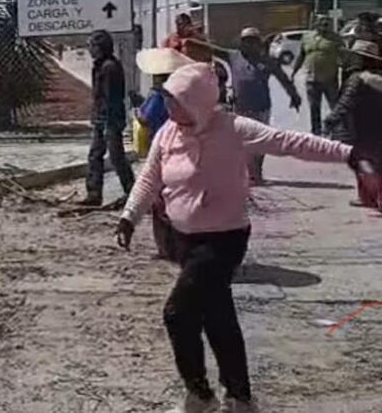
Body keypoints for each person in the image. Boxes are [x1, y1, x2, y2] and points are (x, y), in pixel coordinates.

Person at [115, 62, 359, 413]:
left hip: (223, 239)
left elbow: (290, 142)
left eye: (176, 101)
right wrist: (129, 216)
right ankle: (240, 399)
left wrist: (349, 154)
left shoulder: (232, 128)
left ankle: (199, 395)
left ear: (197, 101)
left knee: (178, 314)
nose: (169, 108)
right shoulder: (168, 133)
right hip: (183, 239)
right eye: (167, 99)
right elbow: (150, 178)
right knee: (218, 318)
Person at [193, 28, 302, 185]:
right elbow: (211, 49)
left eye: (253, 41)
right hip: (241, 107)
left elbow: (283, 79)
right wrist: (191, 40)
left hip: (262, 107)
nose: (249, 45)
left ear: (258, 43)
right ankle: (246, 173)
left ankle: (256, 173)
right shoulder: (233, 56)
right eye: (246, 41)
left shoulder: (267, 61)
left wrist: (294, 96)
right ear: (241, 43)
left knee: (260, 142)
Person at [134, 47, 194, 260]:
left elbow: (146, 119)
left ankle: (165, 249)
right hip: (183, 150)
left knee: (159, 202)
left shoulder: (158, 96)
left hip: (160, 152)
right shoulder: (186, 94)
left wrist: (136, 110)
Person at [325, 41, 382, 209]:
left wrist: (331, 120)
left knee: (362, 162)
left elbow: (345, 102)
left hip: (361, 127)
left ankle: (368, 198)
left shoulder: (358, 79)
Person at [84, 30, 134, 206]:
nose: (89, 49)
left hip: (109, 119)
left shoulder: (109, 67)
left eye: (91, 45)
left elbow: (110, 98)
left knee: (116, 157)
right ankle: (94, 194)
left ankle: (132, 192)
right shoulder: (101, 65)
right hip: (102, 118)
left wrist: (106, 122)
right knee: (95, 156)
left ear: (100, 47)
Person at [292, 15, 343, 135]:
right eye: (322, 23)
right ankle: (316, 131)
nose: (325, 26)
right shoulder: (307, 37)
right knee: (314, 108)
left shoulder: (335, 38)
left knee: (335, 106)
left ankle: (337, 131)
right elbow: (301, 55)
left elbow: (344, 56)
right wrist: (294, 72)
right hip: (311, 79)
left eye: (327, 23)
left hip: (329, 79)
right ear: (316, 24)